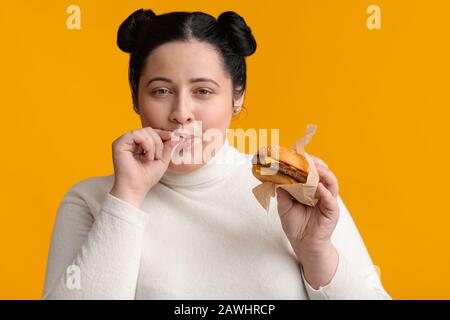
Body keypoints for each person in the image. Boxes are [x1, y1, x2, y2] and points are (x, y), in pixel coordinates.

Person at [42, 9, 391, 299]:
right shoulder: (91, 201)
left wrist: (316, 252)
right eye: (161, 90)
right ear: (135, 97)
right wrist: (128, 197)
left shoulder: (295, 193)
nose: (181, 112)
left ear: (236, 97)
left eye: (203, 91)